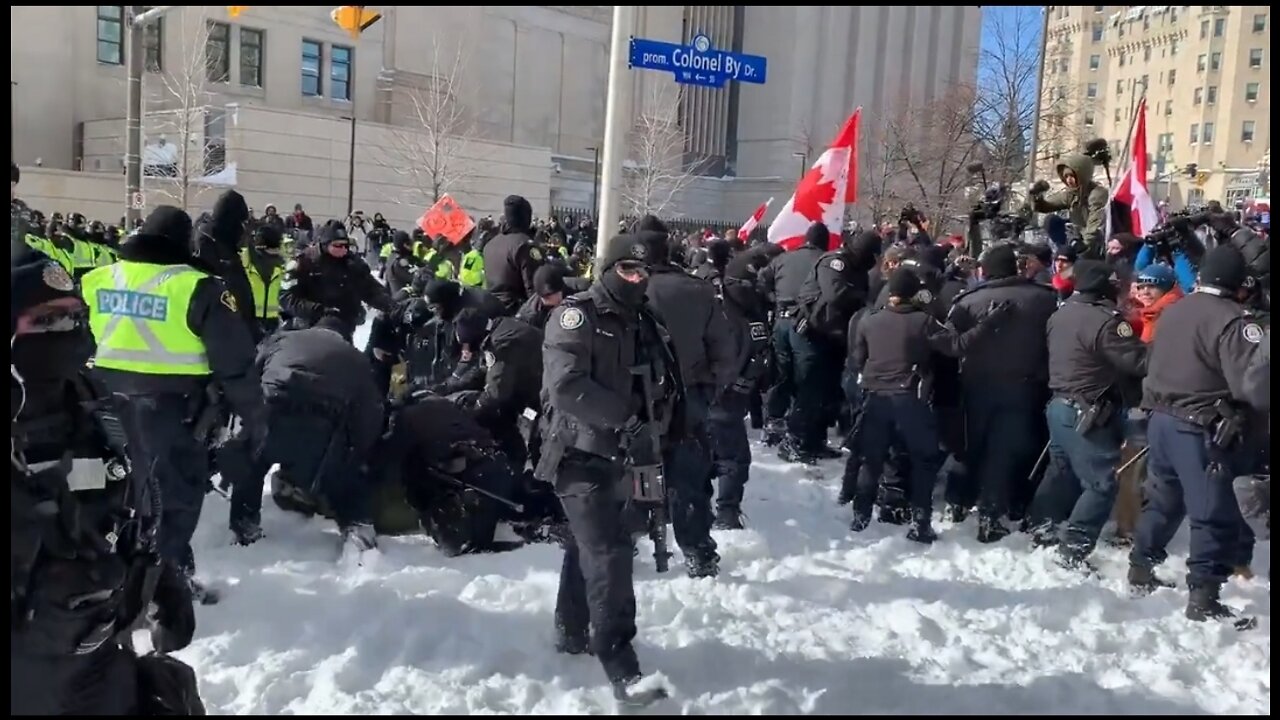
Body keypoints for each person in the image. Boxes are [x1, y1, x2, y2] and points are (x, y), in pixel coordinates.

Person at [11, 255, 199, 715]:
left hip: (97, 654)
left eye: (76, 315)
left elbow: (134, 509)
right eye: (48, 319)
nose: (68, 329)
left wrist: (162, 581)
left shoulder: (103, 412)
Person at [80, 206, 264, 599]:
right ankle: (163, 592)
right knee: (173, 501)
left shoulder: (97, 278)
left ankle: (119, 579)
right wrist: (254, 418)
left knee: (115, 495)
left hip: (101, 409)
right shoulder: (199, 286)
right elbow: (235, 364)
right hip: (172, 412)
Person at [537, 232, 680, 704]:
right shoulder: (577, 315)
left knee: (591, 546)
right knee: (610, 553)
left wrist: (664, 430)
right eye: (628, 270)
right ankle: (621, 665)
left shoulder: (644, 319)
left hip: (624, 454)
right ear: (608, 269)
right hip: (578, 454)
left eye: (644, 272)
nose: (637, 279)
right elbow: (566, 385)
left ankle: (571, 628)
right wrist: (627, 419)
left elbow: (665, 380)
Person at [1129, 245, 1263, 627]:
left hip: (1162, 419)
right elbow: (1248, 384)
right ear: (1239, 283)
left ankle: (1141, 565)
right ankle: (1204, 595)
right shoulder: (1234, 321)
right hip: (1200, 426)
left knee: (1163, 500)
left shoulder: (1174, 310)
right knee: (1211, 512)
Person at [848, 268, 1009, 542]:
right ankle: (920, 523)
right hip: (910, 399)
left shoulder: (868, 320)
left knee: (872, 460)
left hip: (875, 398)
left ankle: (860, 517)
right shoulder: (924, 321)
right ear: (913, 294)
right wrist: (990, 321)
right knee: (923, 459)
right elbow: (958, 345)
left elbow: (858, 360)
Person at [220, 316, 383, 551]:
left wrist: (238, 428)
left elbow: (248, 375)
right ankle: (359, 530)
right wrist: (357, 452)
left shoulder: (282, 339)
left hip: (269, 410)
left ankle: (245, 527)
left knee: (251, 467)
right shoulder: (355, 357)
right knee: (342, 478)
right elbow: (369, 414)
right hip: (320, 425)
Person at [1023, 260, 1148, 567]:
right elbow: (1137, 363)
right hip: (1088, 411)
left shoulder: (1061, 313)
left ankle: (1043, 525)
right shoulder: (1106, 321)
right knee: (1101, 484)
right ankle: (1074, 549)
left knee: (1061, 471)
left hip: (1060, 406)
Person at [634, 214, 737, 576]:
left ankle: (625, 541)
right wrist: (708, 388)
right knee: (688, 476)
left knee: (630, 470)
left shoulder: (623, 289)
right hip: (689, 395)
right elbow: (726, 351)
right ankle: (697, 550)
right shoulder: (696, 289)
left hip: (634, 398)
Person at [278, 221, 392, 342]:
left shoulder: (352, 263)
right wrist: (317, 310)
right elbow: (286, 297)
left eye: (346, 246)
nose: (343, 249)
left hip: (343, 329)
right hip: (309, 329)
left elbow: (371, 290)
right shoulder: (304, 262)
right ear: (325, 244)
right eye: (338, 246)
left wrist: (392, 306)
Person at [483, 195, 545, 314]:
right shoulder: (525, 245)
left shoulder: (490, 244)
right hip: (516, 311)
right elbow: (533, 286)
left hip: (492, 309)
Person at [241, 224, 286, 340]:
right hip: (247, 321)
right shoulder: (242, 261)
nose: (278, 252)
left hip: (274, 324)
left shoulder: (281, 264)